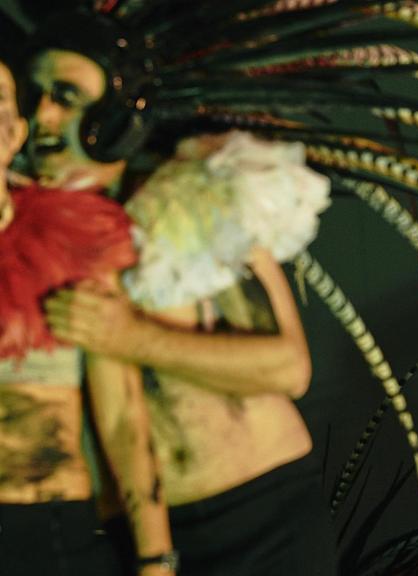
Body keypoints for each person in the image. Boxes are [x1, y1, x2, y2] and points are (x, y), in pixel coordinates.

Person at [25, 17, 337, 576]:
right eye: (36, 96)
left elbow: (288, 367)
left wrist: (131, 335)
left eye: (66, 97)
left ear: (117, 112)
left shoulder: (195, 198)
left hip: (260, 510)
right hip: (137, 536)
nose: (43, 116)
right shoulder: (28, 228)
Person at [0, 47, 174, 575]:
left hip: (55, 532)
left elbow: (122, 415)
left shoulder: (73, 237)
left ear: (15, 131)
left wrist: (156, 560)